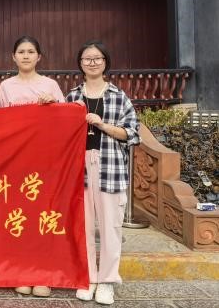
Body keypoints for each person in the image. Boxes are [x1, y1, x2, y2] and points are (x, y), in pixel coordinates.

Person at [66, 40, 140, 306]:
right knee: (83, 226)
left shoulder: (118, 96)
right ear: (80, 64)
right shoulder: (72, 96)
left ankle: (107, 280)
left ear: (105, 62)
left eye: (97, 58)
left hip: (109, 166)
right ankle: (88, 278)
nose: (92, 62)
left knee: (110, 227)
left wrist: (102, 124)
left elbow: (131, 133)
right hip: (79, 167)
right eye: (87, 58)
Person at [0, 35, 64, 298]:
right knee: (19, 217)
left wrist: (53, 106)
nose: (26, 56)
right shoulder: (6, 86)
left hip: (45, 160)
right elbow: (2, 124)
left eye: (31, 51)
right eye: (21, 52)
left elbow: (65, 119)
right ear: (13, 57)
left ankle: (43, 274)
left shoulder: (50, 85)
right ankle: (22, 272)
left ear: (39, 57)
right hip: (16, 161)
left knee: (42, 217)